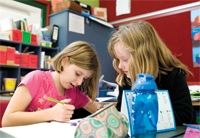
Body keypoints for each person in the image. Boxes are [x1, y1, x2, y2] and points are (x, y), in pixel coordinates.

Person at [108, 20, 196, 126]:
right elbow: (121, 114)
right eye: (118, 60)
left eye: (124, 59)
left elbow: (184, 116)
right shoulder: (126, 79)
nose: (120, 66)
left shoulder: (172, 75)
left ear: (143, 56)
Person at [2, 41, 102, 127]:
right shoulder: (36, 79)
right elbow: (7, 121)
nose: (79, 82)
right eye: (77, 74)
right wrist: (51, 113)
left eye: (84, 79)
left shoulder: (74, 92)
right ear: (64, 61)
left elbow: (98, 109)